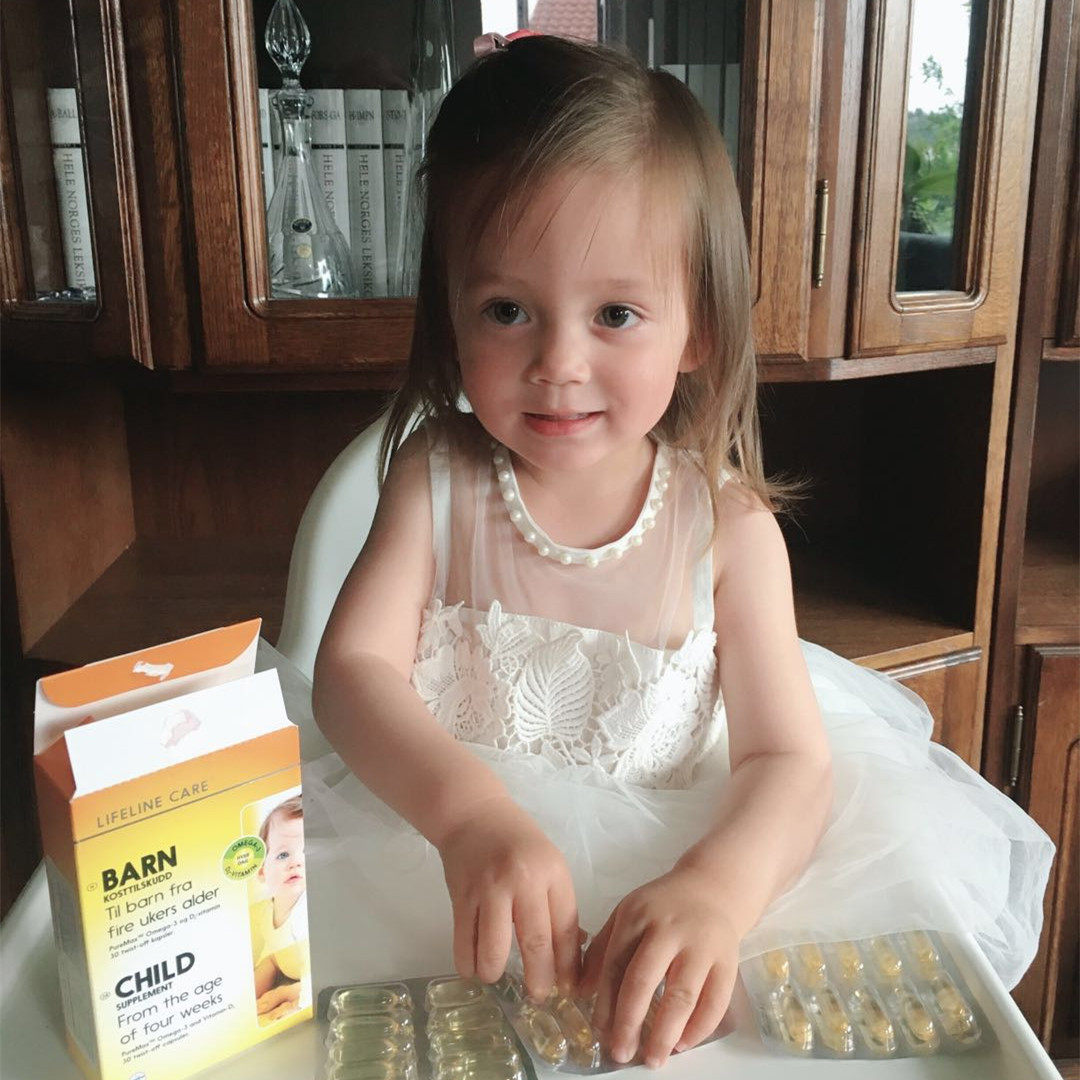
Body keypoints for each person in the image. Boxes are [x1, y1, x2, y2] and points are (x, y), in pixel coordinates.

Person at [303, 32, 1053, 1070]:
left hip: (670, 907)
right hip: (441, 873)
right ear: (452, 313)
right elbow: (351, 671)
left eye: (616, 313)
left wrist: (720, 890)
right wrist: (468, 816)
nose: (559, 361)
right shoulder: (434, 478)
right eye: (507, 310)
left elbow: (789, 762)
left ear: (697, 326)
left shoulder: (729, 532)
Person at [249, 794, 310, 1023]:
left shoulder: (306, 914)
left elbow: (322, 975)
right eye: (283, 854)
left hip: (314, 977)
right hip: (293, 970)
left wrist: (284, 994)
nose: (296, 862)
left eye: (306, 852)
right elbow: (274, 958)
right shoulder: (267, 913)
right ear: (262, 871)